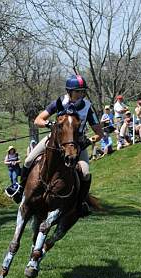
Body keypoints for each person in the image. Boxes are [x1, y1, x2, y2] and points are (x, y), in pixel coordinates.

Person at [12, 74, 102, 216]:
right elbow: (38, 120)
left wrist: (89, 141)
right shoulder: (59, 102)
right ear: (69, 91)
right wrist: (50, 124)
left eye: (83, 91)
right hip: (56, 140)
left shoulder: (88, 108)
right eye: (78, 91)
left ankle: (80, 203)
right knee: (29, 160)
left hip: (77, 144)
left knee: (85, 172)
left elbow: (99, 133)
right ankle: (20, 189)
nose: (81, 94)